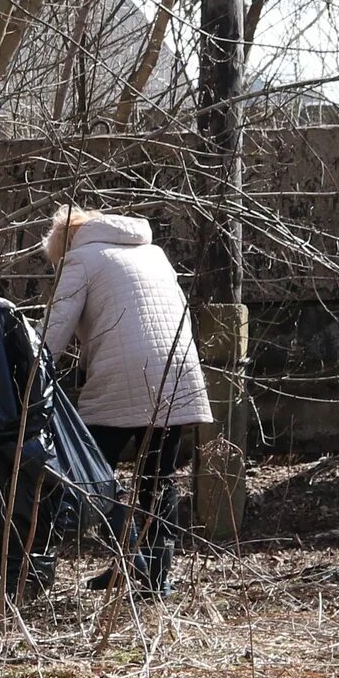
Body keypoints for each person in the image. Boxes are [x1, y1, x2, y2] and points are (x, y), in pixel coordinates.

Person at [42, 206, 211, 597]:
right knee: (157, 477)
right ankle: (156, 575)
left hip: (122, 376)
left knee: (90, 472)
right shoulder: (153, 252)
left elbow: (55, 328)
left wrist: (30, 367)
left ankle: (131, 554)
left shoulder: (80, 258)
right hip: (177, 371)